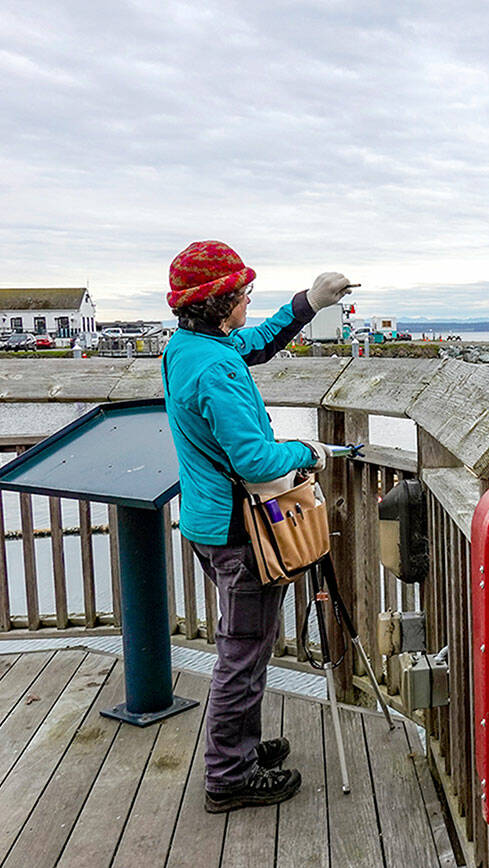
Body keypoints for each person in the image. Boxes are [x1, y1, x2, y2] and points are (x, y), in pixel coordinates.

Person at [162, 240, 352, 813]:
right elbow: (254, 459)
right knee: (243, 653)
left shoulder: (187, 347)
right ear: (221, 302)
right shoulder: (216, 369)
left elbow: (249, 345)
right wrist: (310, 451)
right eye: (243, 293)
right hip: (240, 535)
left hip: (206, 521)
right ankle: (228, 776)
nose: (249, 300)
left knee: (247, 644)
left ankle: (240, 749)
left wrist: (307, 303)